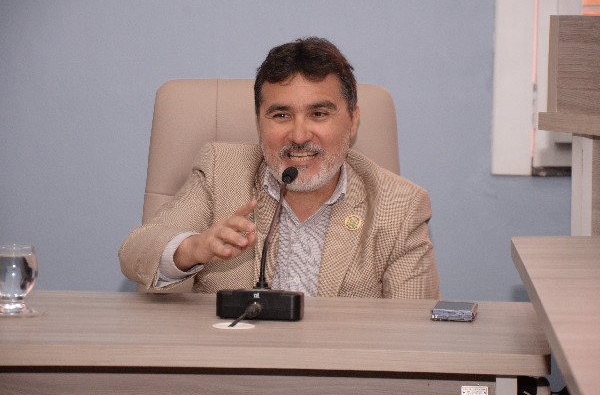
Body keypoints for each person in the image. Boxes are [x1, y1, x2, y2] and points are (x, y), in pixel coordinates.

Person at [119, 37, 440, 299]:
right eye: (281, 115)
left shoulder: (399, 206)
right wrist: (193, 248)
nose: (299, 136)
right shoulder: (221, 171)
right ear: (259, 121)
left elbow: (410, 331)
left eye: (319, 114)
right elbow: (136, 251)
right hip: (232, 355)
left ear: (353, 120)